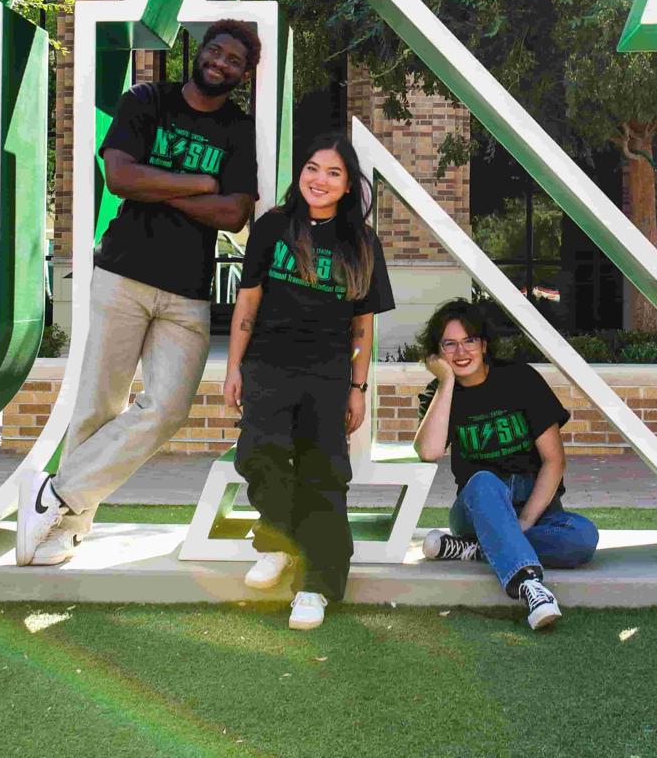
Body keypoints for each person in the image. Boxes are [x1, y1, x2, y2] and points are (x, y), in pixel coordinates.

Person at [18, 21, 260, 566]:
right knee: (97, 407)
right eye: (216, 51)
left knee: (167, 408)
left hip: (188, 291)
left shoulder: (238, 129)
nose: (221, 63)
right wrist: (199, 184)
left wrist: (158, 184)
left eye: (234, 60)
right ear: (200, 52)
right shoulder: (147, 100)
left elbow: (234, 212)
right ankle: (65, 527)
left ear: (244, 75)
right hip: (123, 273)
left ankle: (55, 493)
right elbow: (121, 179)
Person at [221, 134, 394, 630]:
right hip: (268, 365)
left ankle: (316, 586)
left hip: (327, 374)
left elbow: (363, 326)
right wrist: (233, 367)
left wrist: (358, 387)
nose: (320, 180)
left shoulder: (362, 243)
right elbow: (248, 302)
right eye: (313, 168)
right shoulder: (273, 226)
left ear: (348, 185)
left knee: (324, 474)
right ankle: (277, 541)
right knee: (259, 453)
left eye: (333, 173)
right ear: (301, 173)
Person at [413, 300, 598, 630]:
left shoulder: (520, 379)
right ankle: (529, 585)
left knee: (582, 538)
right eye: (449, 344)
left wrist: (524, 521)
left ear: (484, 344)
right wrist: (446, 382)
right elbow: (429, 451)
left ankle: (480, 547)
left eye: (469, 340)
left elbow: (554, 461)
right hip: (478, 507)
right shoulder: (441, 394)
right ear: (437, 353)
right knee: (484, 480)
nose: (461, 352)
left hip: (535, 505)